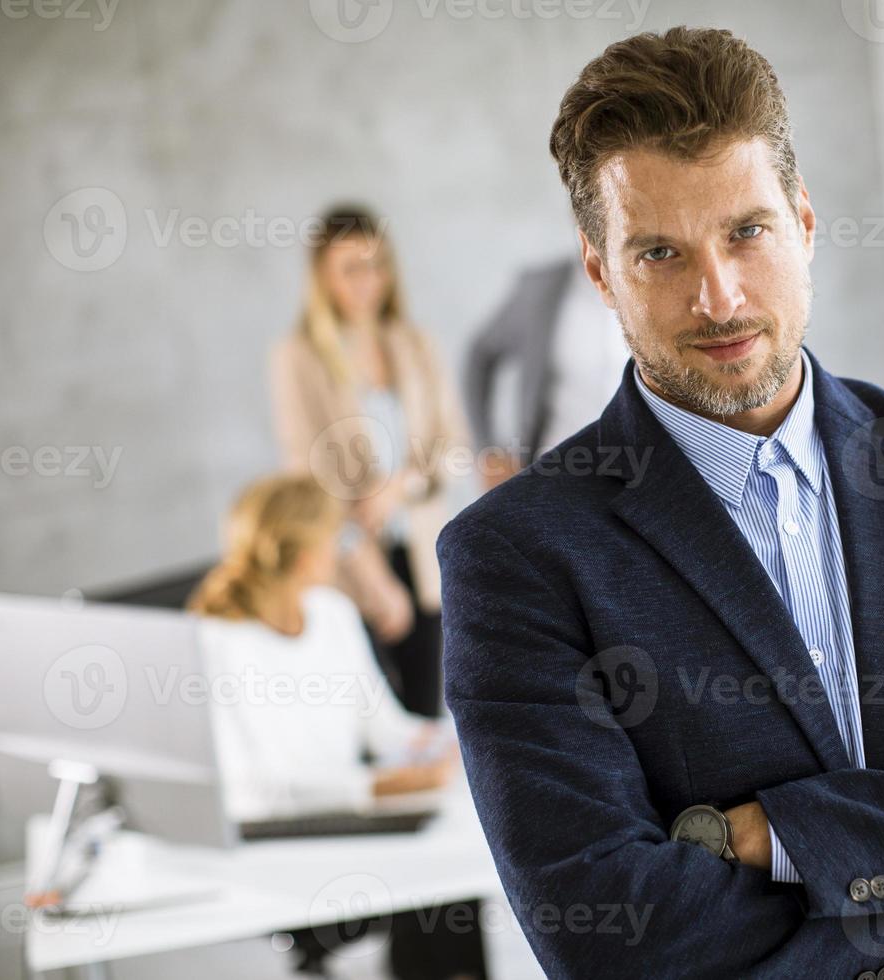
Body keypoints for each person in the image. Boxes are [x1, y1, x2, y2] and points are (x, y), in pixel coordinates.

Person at [437, 28, 884, 980]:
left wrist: (766, 833)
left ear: (805, 224)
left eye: (747, 231)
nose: (718, 296)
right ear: (602, 272)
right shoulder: (515, 555)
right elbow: (607, 932)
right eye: (659, 253)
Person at [189, 474, 487, 980]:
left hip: (355, 822)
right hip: (278, 845)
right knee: (428, 888)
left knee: (452, 882)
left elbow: (386, 730)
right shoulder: (216, 641)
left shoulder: (331, 615)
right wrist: (376, 786)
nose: (344, 549)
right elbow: (253, 794)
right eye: (338, 538)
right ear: (306, 554)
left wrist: (458, 739)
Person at [270, 206, 469, 718]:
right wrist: (375, 582)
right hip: (349, 562)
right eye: (350, 269)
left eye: (376, 265)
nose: (368, 282)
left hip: (424, 558)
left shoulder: (415, 344)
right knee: (370, 724)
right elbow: (308, 481)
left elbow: (452, 448)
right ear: (322, 277)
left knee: (429, 714)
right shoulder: (299, 357)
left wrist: (401, 484)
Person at [464, 257, 631, 488]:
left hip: (630, 476)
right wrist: (488, 451)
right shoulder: (541, 290)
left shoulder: (650, 287)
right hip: (550, 473)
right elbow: (481, 354)